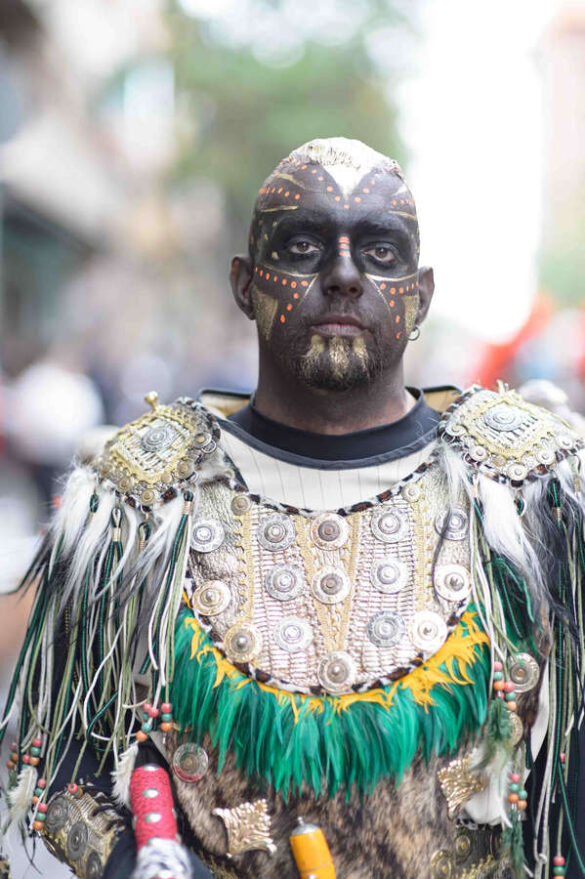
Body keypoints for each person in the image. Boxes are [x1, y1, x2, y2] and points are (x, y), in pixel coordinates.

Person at [1, 137, 585, 879]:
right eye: (303, 246)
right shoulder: (139, 497)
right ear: (245, 284)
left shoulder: (528, 488)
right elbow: (54, 765)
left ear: (421, 292)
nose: (343, 276)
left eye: (379, 251)